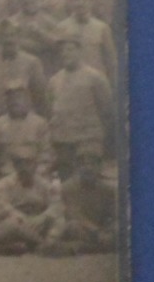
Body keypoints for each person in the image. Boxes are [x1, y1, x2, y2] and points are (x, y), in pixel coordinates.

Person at [46, 32, 115, 179]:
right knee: (67, 183)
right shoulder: (54, 80)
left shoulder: (95, 77)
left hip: (88, 141)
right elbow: (52, 109)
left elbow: (107, 111)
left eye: (70, 49)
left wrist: (102, 140)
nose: (66, 53)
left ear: (80, 51)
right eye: (63, 50)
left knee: (89, 181)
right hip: (63, 141)